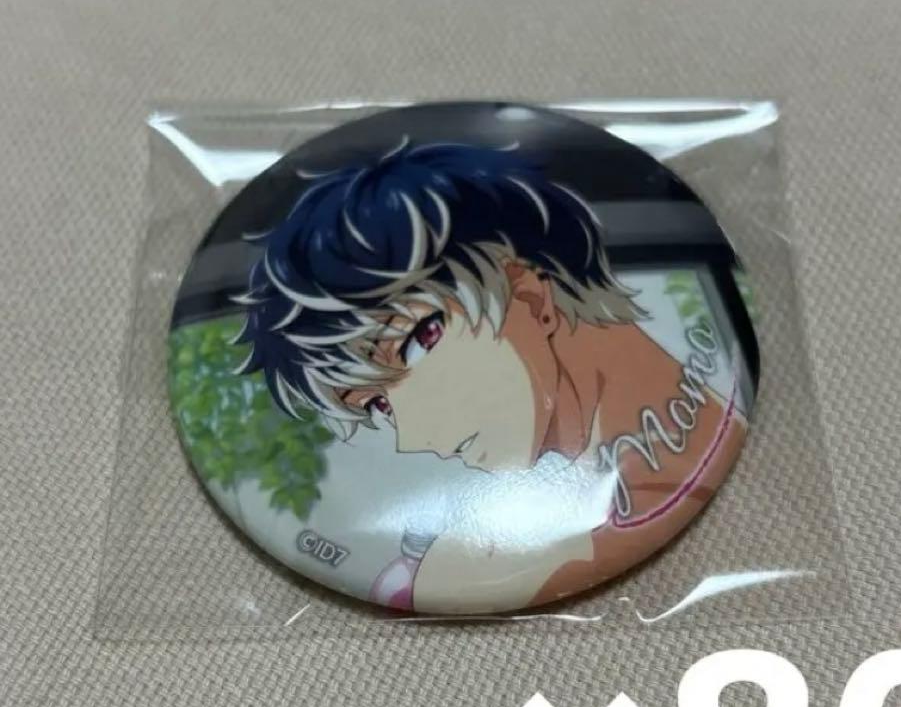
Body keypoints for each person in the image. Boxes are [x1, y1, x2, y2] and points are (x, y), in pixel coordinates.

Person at [234, 140, 747, 612]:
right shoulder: (477, 555)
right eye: (377, 406)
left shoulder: (488, 561)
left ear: (529, 293)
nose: (415, 438)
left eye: (418, 341)